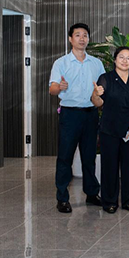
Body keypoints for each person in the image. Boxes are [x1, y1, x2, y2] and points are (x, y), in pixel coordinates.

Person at [49, 23, 105, 213]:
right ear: (70, 39)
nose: (82, 38)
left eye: (85, 35)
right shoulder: (61, 63)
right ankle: (62, 197)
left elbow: (103, 89)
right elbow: (52, 89)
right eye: (78, 35)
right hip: (70, 114)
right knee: (65, 157)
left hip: (91, 114)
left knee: (89, 157)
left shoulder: (96, 63)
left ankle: (91, 193)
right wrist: (59, 87)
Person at [91, 47, 129, 213]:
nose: (125, 61)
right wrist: (96, 94)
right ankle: (109, 201)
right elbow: (97, 103)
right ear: (114, 60)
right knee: (110, 166)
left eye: (128, 58)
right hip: (110, 129)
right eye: (121, 57)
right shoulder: (106, 78)